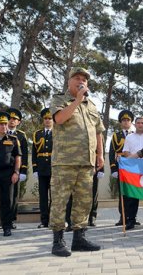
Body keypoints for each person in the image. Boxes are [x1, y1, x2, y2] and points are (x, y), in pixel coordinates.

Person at [49, 67, 104, 256]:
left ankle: (79, 238)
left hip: (87, 162)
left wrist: (100, 154)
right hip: (65, 161)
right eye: (77, 78)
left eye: (84, 80)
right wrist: (77, 100)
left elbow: (98, 131)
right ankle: (58, 240)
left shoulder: (92, 106)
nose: (81, 81)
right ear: (69, 82)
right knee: (59, 201)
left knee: (83, 201)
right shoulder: (59, 100)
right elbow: (59, 119)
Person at [122, 116, 143, 229]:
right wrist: (132, 158)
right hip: (134, 169)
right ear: (135, 125)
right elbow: (125, 151)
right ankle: (131, 220)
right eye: (138, 123)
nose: (140, 125)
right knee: (132, 196)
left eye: (142, 123)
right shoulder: (129, 137)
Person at [109, 110, 134, 227]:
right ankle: (122, 216)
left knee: (133, 193)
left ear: (131, 122)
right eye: (124, 120)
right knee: (123, 193)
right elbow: (112, 153)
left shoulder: (134, 135)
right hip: (121, 165)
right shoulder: (115, 135)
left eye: (128, 120)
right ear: (120, 122)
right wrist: (113, 168)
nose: (126, 122)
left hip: (133, 166)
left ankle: (133, 217)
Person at [6, 107, 28, 229]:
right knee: (4, 196)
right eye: (10, 118)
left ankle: (12, 220)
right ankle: (4, 219)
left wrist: (23, 171)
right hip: (2, 169)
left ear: (18, 122)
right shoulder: (1, 133)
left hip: (16, 169)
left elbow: (23, 154)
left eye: (15, 119)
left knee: (14, 196)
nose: (12, 121)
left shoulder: (21, 136)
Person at [32, 108, 53, 228]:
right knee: (43, 196)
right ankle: (44, 220)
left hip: (53, 167)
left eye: (50, 118)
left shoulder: (57, 133)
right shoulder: (37, 134)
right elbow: (34, 153)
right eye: (45, 118)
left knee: (54, 196)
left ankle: (53, 219)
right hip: (42, 168)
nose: (48, 120)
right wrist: (35, 168)